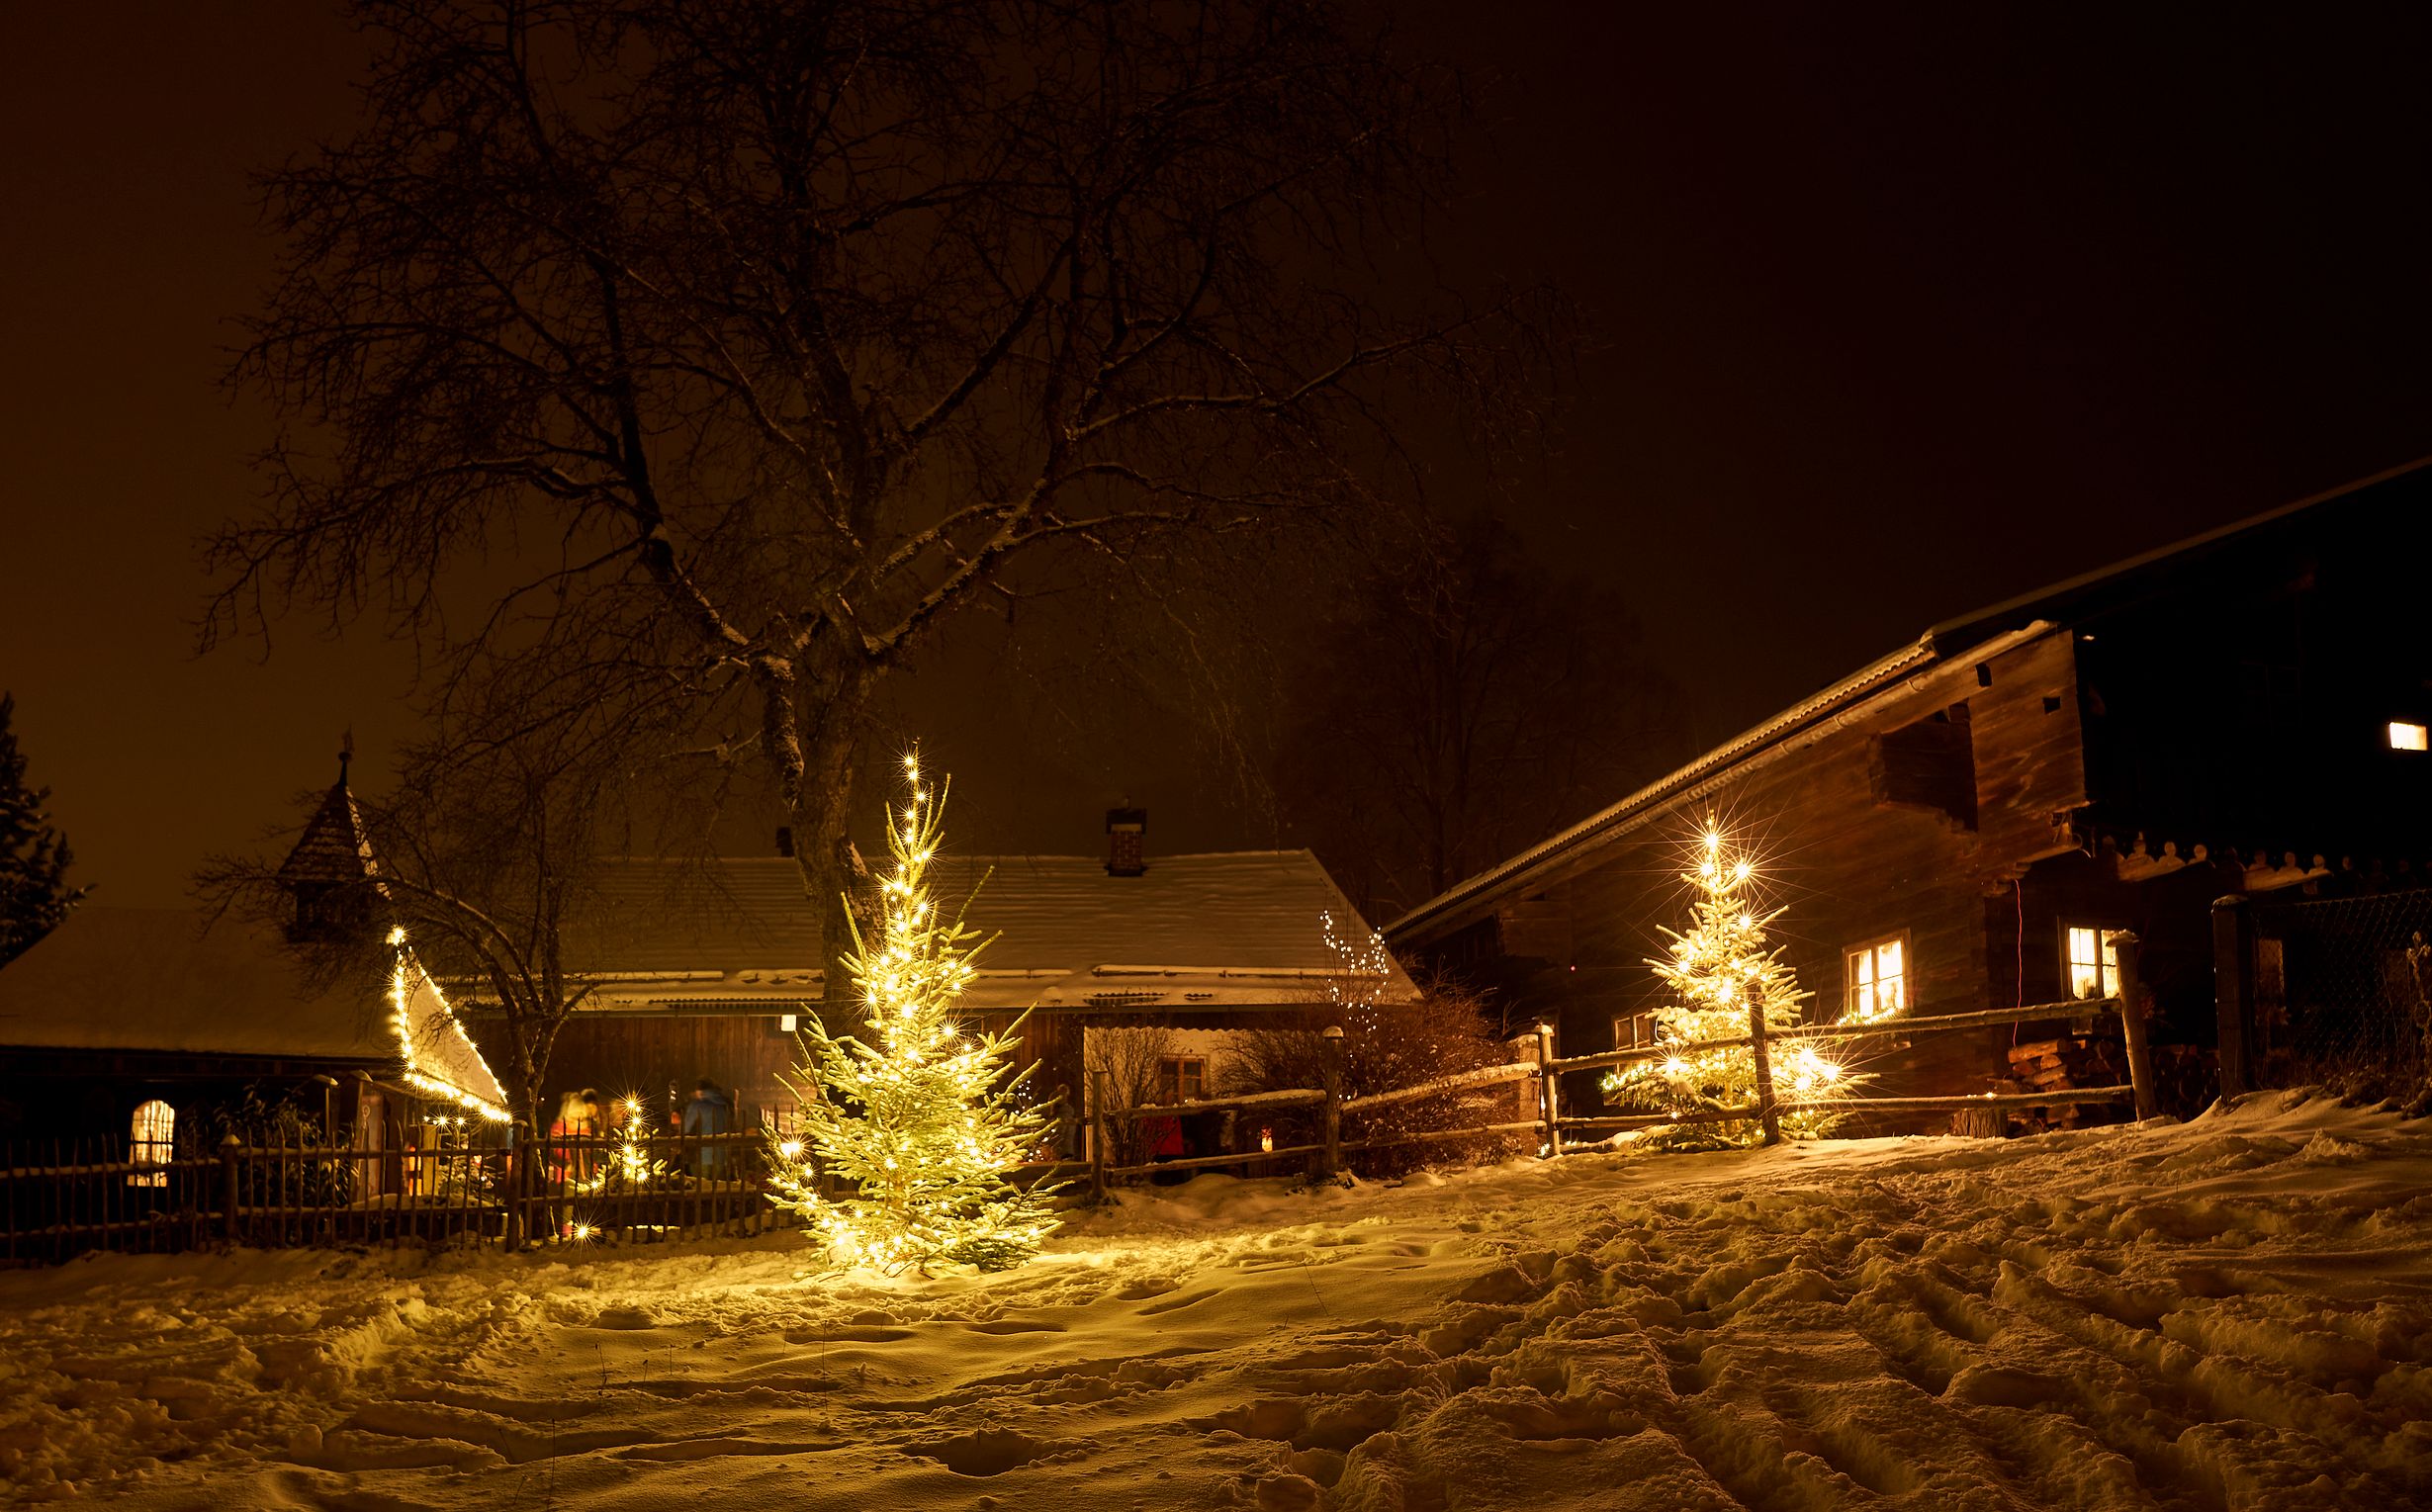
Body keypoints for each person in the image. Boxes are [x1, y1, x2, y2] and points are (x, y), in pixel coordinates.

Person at [682, 1077, 732, 1178]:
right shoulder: (725, 1104)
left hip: (700, 1155)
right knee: (717, 1185)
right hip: (721, 1155)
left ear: (699, 1090)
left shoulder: (696, 1105)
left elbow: (686, 1128)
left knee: (701, 1184)